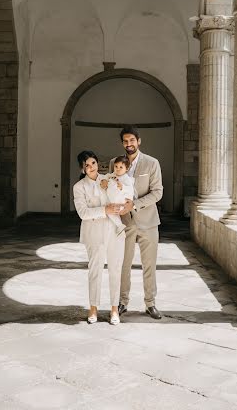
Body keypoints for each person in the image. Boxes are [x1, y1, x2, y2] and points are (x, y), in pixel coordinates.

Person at [110, 125, 163, 320]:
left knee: (149, 264)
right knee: (123, 264)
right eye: (125, 141)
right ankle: (122, 302)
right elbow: (109, 189)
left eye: (132, 140)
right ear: (122, 143)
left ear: (139, 141)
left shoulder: (152, 163)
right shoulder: (114, 163)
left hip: (148, 222)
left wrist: (135, 205)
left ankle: (150, 303)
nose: (129, 144)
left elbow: (158, 192)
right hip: (124, 224)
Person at [73, 150, 125, 325]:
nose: (91, 167)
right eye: (86, 165)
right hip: (94, 233)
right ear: (82, 169)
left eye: (93, 163)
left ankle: (114, 309)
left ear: (97, 163)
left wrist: (118, 190)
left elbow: (122, 196)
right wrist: (104, 210)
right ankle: (93, 307)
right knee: (95, 270)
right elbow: (83, 213)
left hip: (114, 230)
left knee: (115, 270)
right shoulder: (79, 187)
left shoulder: (109, 179)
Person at [100, 155, 135, 236]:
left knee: (113, 212)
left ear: (126, 169)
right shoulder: (112, 174)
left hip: (120, 202)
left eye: (121, 167)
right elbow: (106, 176)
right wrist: (104, 180)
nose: (118, 169)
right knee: (109, 212)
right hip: (111, 200)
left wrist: (122, 187)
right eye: (116, 166)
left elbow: (130, 190)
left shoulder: (126, 179)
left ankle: (120, 226)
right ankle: (120, 226)